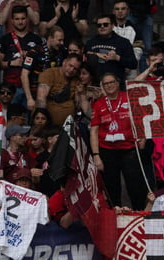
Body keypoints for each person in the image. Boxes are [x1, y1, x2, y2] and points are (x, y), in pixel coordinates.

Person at [90, 72, 146, 210]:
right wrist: (96, 156)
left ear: (117, 82)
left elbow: (141, 120)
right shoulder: (98, 104)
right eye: (105, 84)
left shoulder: (129, 98)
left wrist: (143, 138)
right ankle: (114, 216)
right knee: (111, 187)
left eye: (111, 82)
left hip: (129, 149)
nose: (109, 86)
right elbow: (94, 131)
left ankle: (138, 213)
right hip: (107, 150)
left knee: (135, 184)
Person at [36, 54, 80, 126]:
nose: (72, 70)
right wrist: (41, 117)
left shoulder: (76, 80)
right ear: (64, 62)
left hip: (67, 126)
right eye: (70, 65)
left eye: (75, 69)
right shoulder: (49, 73)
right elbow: (41, 98)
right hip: (47, 124)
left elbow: (80, 102)